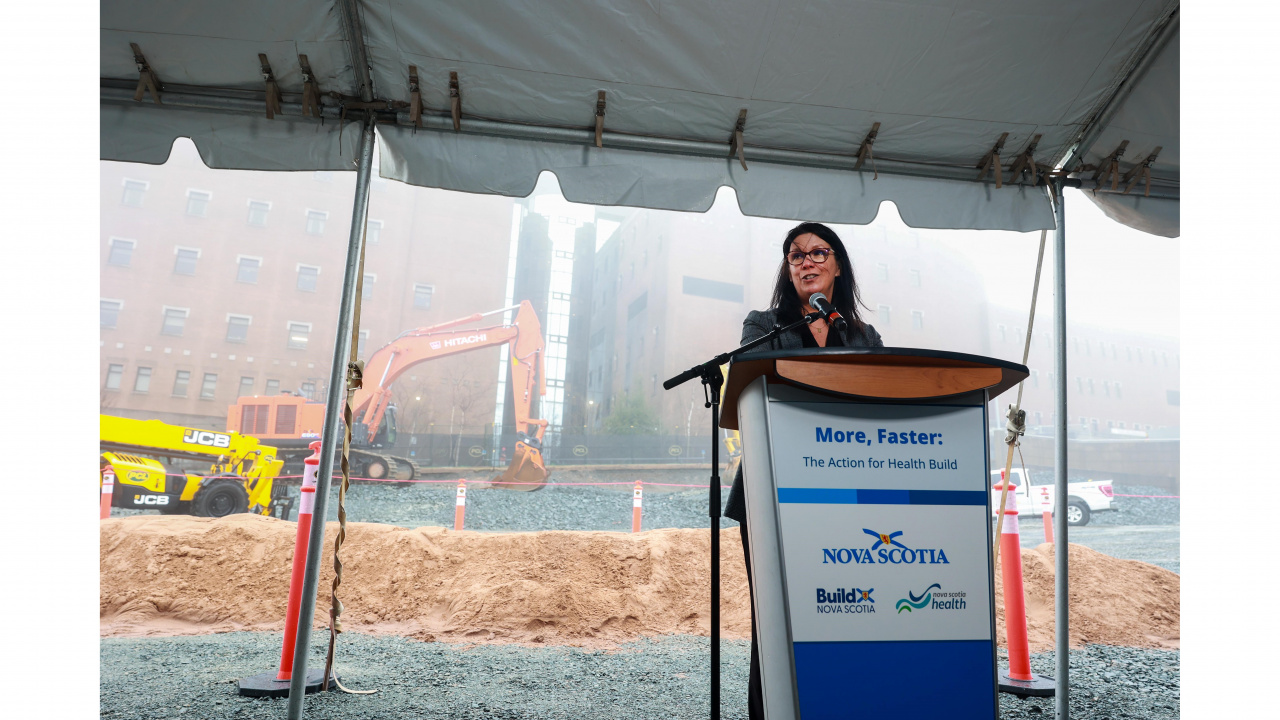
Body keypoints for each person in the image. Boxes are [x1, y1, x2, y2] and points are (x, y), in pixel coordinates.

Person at [724, 222, 883, 718]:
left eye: (818, 253)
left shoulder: (863, 335)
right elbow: (753, 387)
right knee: (774, 615)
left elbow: (875, 402)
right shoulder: (763, 324)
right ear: (788, 268)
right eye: (796, 255)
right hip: (771, 487)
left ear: (838, 264)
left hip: (841, 487)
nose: (807, 262)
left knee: (842, 608)